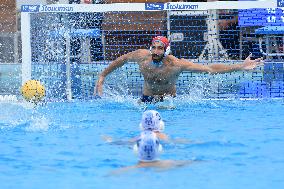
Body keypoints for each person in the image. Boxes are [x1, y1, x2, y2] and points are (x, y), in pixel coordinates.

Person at [95, 36, 263, 103]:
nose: (155, 51)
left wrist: (240, 66)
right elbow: (121, 60)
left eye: (159, 48)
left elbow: (210, 68)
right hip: (145, 100)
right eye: (153, 47)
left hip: (169, 103)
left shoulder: (177, 64)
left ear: (166, 50)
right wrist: (102, 75)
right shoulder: (141, 56)